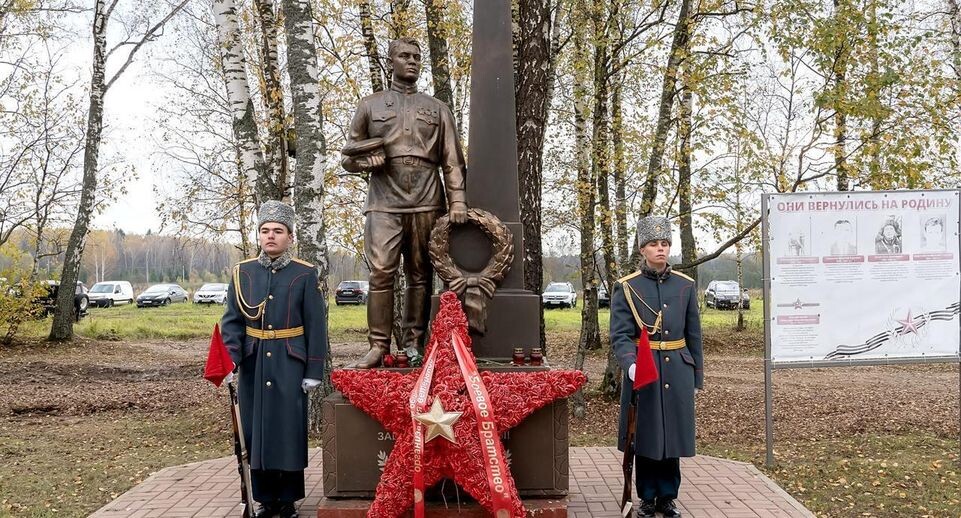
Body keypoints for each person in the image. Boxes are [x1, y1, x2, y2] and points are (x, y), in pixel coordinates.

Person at [341, 37, 468, 368]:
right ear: (391, 61)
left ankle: (414, 342)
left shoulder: (438, 109)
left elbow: (452, 160)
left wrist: (458, 200)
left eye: (416, 57)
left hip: (428, 199)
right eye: (404, 56)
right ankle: (378, 345)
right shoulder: (369, 105)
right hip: (384, 200)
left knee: (420, 273)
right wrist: (363, 164)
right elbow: (349, 156)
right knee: (381, 271)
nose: (411, 61)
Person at [220, 200, 328, 518]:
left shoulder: (305, 274)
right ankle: (266, 500)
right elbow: (232, 322)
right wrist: (231, 360)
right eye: (265, 230)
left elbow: (315, 325)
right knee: (257, 432)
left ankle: (288, 500)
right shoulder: (244, 273)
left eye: (278, 231)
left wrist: (313, 369)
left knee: (288, 432)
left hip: (290, 363)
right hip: (255, 364)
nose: (271, 236)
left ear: (290, 237)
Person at [610, 217, 703, 518]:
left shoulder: (685, 286)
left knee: (672, 436)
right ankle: (647, 497)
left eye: (664, 244)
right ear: (642, 249)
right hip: (644, 371)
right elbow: (620, 335)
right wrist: (631, 365)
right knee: (646, 436)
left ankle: (667, 497)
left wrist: (696, 376)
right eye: (654, 244)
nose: (660, 249)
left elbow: (694, 334)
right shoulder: (626, 287)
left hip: (677, 370)